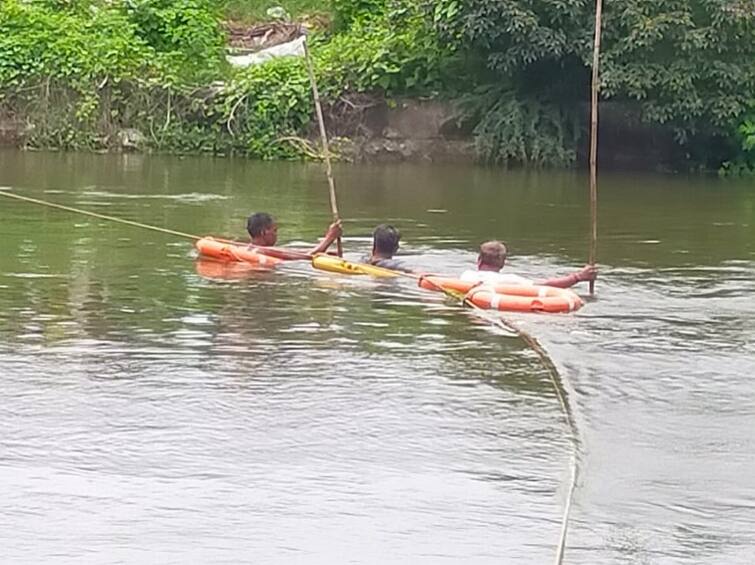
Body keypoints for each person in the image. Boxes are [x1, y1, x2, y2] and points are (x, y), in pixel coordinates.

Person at [460, 240, 596, 288]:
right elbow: (546, 285)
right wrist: (578, 277)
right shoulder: (510, 280)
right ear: (503, 263)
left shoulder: (466, 276)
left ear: (478, 260)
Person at [246, 212, 342, 259]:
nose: (276, 235)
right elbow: (306, 257)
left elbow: (294, 252)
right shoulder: (261, 251)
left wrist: (325, 253)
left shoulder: (250, 248)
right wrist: (330, 238)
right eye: (274, 231)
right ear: (264, 232)